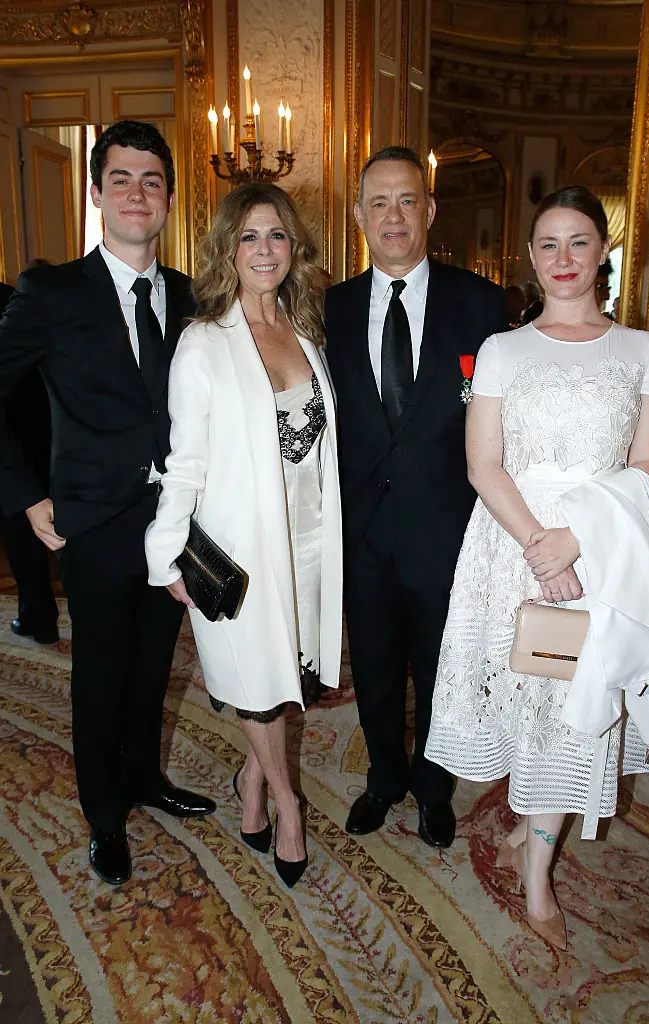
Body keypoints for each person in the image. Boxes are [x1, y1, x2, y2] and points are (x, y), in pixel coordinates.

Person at [426, 186, 649, 949]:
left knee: (573, 717)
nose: (562, 259)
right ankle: (529, 821)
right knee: (523, 701)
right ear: (529, 258)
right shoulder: (503, 349)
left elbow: (648, 466)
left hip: (602, 552)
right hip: (508, 547)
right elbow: (482, 462)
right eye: (546, 244)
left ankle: (536, 875)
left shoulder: (642, 350)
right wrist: (540, 542)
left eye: (577, 243)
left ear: (602, 252)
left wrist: (575, 540)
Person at [0, 120, 215, 887]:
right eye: (120, 179)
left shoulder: (194, 295)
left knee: (154, 667)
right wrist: (26, 496)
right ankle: (102, 815)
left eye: (151, 181)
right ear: (96, 193)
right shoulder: (51, 291)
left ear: (168, 198)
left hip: (175, 527)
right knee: (98, 676)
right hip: (91, 524)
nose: (136, 193)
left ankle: (143, 777)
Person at [145, 183, 342, 889]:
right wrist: (165, 552)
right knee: (258, 684)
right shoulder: (204, 342)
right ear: (228, 248)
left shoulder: (305, 328)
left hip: (312, 539)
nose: (265, 250)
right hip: (242, 544)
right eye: (250, 236)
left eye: (277, 236)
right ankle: (286, 804)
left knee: (292, 677)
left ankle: (249, 782)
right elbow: (185, 460)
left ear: (295, 248)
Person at [324, 146, 507, 847]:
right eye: (378, 202)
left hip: (446, 530)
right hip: (361, 530)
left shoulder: (481, 304)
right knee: (371, 668)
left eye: (406, 200)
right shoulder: (330, 308)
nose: (392, 216)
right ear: (359, 215)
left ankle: (433, 789)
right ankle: (383, 779)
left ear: (428, 210)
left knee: (440, 671)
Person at [0, 276, 59, 643]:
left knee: (24, 532)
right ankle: (38, 615)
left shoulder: (22, 298)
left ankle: (37, 616)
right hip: (35, 433)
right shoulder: (14, 296)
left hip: (17, 440)